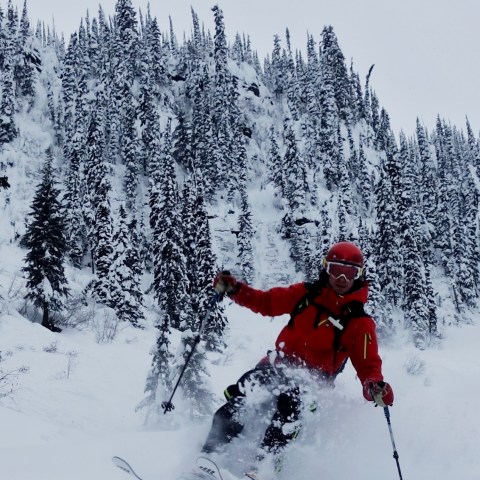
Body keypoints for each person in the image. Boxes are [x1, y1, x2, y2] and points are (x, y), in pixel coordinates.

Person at [201, 241, 394, 465]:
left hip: (314, 382)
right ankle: (208, 458)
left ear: (358, 276)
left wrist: (375, 388)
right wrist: (235, 289)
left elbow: (368, 366)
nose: (342, 279)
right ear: (325, 268)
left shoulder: (360, 322)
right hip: (276, 365)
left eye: (349, 272)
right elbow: (266, 303)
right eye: (335, 270)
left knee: (288, 405)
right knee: (245, 393)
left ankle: (263, 468)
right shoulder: (306, 294)